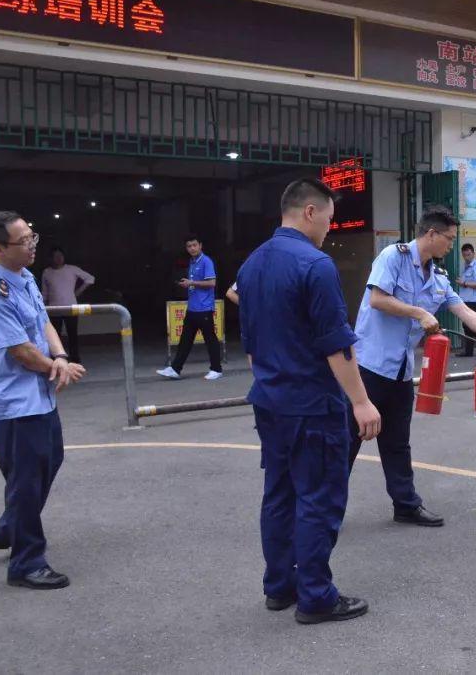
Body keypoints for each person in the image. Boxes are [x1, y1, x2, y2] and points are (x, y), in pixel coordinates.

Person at [237, 178, 381, 625]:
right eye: (330, 220)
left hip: (270, 401)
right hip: (311, 404)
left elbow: (251, 344)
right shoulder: (316, 265)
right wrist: (361, 402)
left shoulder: (251, 265)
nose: (330, 231)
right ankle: (316, 595)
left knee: (279, 495)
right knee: (318, 498)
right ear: (311, 213)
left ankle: (279, 587)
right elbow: (336, 346)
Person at [352, 206, 476, 527]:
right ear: (431, 234)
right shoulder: (393, 257)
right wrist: (419, 313)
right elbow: (377, 299)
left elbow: (467, 314)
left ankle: (405, 505)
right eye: (449, 238)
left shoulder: (439, 277)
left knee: (398, 442)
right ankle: (322, 511)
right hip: (367, 367)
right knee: (348, 440)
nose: (451, 245)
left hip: (400, 372)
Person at [0, 211, 86, 590]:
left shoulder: (24, 279)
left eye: (32, 236)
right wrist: (56, 368)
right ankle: (26, 562)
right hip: (15, 402)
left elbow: (44, 323)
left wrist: (61, 357)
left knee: (50, 460)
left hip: (39, 396)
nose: (32, 245)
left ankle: (10, 525)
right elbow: (20, 350)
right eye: (24, 241)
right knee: (25, 481)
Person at [157, 235, 222, 380]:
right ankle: (175, 368)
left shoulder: (206, 261)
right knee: (185, 340)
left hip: (204, 308)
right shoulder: (192, 262)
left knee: (210, 339)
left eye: (194, 245)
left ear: (200, 245)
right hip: (192, 308)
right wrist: (187, 284)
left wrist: (191, 283)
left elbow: (212, 283)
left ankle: (216, 369)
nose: (192, 248)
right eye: (189, 246)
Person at [41, 247, 95, 364]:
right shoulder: (47, 272)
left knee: (72, 334)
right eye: (56, 256)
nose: (59, 259)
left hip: (71, 307)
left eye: (61, 256)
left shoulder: (72, 269)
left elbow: (90, 279)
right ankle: (57, 358)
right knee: (55, 334)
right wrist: (43, 307)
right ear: (51, 258)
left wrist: (77, 293)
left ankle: (75, 359)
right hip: (54, 308)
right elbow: (44, 292)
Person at [455, 243, 476, 357]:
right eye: (464, 255)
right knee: (467, 325)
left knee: (468, 325)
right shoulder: (465, 265)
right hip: (465, 298)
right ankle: (471, 349)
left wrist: (464, 283)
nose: (466, 257)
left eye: (468, 254)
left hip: (473, 299)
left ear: (473, 253)